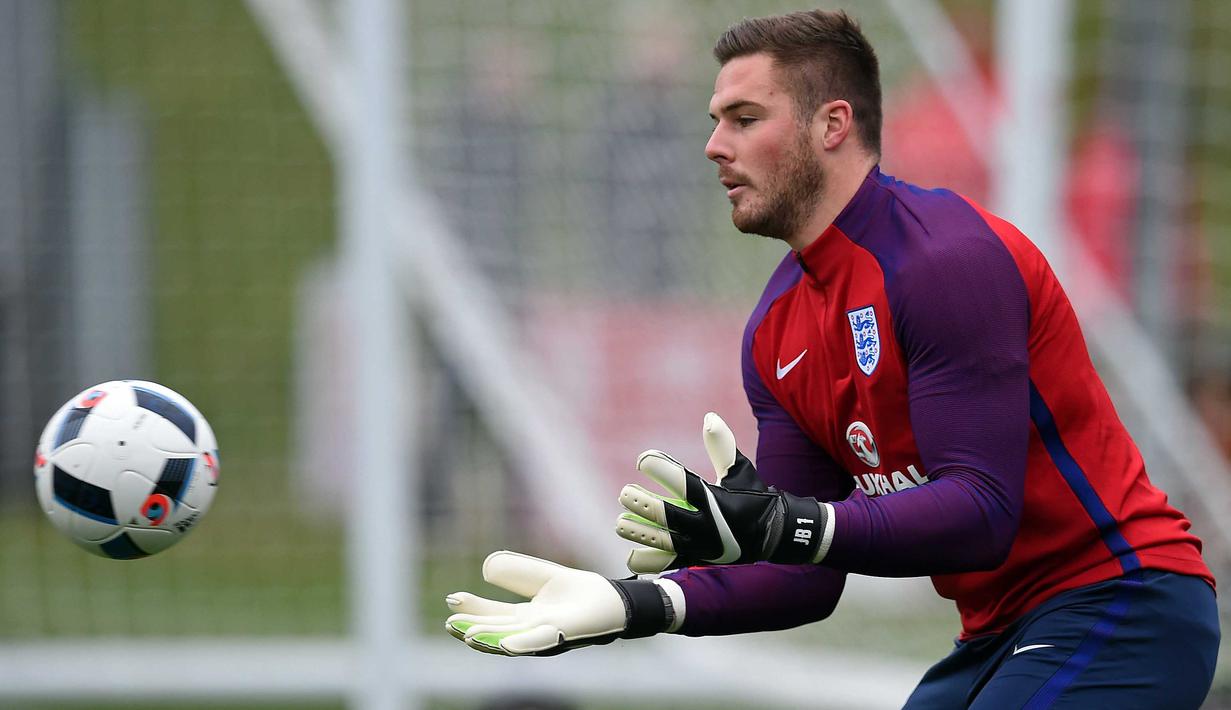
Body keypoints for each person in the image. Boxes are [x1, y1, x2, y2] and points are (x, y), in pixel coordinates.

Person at [445, 10, 1220, 708]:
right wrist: (632, 604)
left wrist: (791, 522)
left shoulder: (944, 261)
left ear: (832, 125)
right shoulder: (776, 331)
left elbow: (981, 513)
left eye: (745, 118)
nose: (714, 145)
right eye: (716, 120)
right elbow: (801, 580)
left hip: (1122, 600)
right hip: (997, 631)